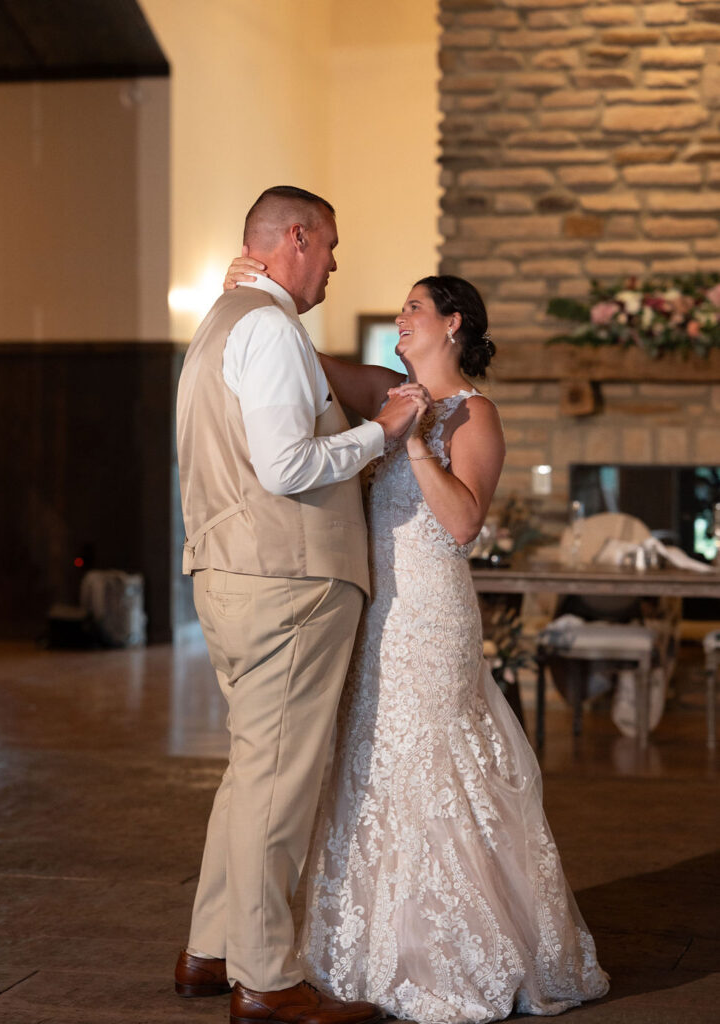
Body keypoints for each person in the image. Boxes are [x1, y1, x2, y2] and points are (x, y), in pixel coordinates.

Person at [223, 259, 611, 1023]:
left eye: (413, 309)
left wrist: (410, 444)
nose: (401, 320)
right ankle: (367, 953)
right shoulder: (385, 391)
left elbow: (464, 523)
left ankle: (450, 948)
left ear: (453, 323)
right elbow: (310, 361)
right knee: (369, 761)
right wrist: (254, 290)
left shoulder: (475, 414)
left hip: (433, 612)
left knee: (434, 758)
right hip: (375, 613)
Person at [175, 185, 421, 1024]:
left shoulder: (219, 325)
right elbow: (286, 467)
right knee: (279, 785)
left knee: (254, 772)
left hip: (230, 573)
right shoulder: (272, 330)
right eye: (331, 247)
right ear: (297, 236)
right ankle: (269, 980)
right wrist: (379, 436)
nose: (336, 264)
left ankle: (210, 950)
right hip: (288, 582)